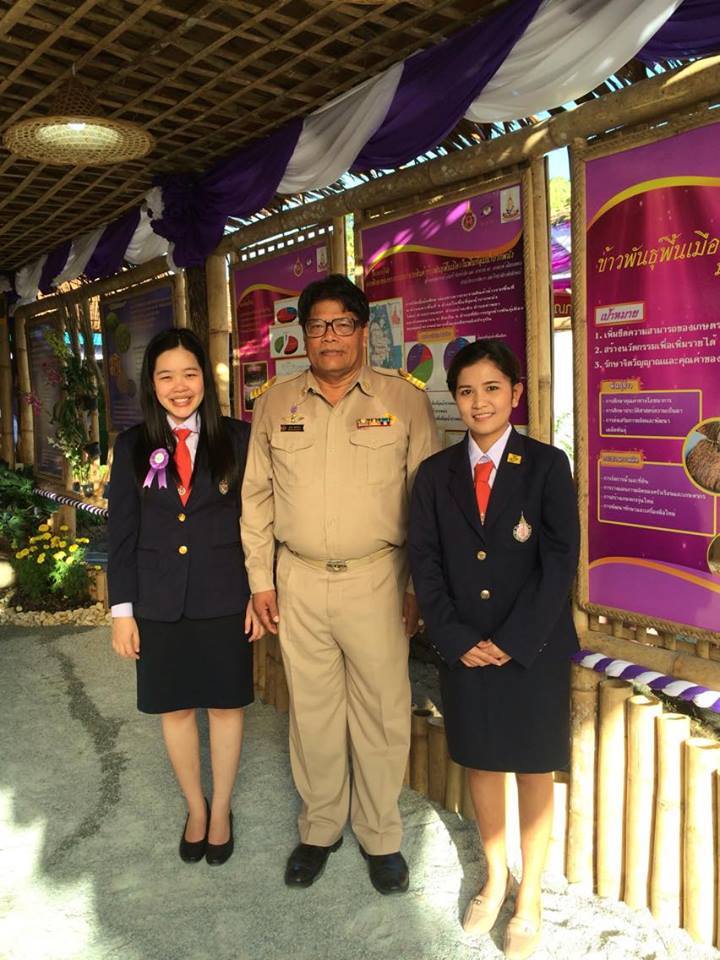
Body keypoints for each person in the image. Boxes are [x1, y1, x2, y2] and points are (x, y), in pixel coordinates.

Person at [241, 274, 439, 894]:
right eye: (318, 325)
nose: (330, 336)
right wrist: (260, 580)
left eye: (343, 323)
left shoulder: (403, 400)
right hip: (298, 580)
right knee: (314, 712)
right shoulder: (275, 403)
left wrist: (419, 587)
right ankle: (320, 827)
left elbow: (427, 504)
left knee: (381, 712)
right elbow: (256, 497)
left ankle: (380, 835)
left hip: (379, 578)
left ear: (362, 330)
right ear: (304, 334)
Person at [408, 339, 579, 960]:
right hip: (465, 649)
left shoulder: (547, 465)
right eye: (466, 391)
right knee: (481, 763)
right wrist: (456, 638)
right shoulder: (435, 475)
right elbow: (425, 563)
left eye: (492, 388)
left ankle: (530, 894)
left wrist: (511, 640)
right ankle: (495, 875)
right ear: (454, 398)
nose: (479, 402)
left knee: (533, 767)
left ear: (515, 394)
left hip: (531, 647)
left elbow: (559, 560)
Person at [108, 327, 262, 867]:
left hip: (225, 596)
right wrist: (122, 612)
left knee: (225, 706)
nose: (179, 387)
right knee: (174, 710)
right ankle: (195, 808)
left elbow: (257, 523)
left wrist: (258, 591)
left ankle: (221, 810)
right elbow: (121, 534)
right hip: (157, 602)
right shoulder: (131, 446)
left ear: (205, 379)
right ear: (151, 384)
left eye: (189, 374)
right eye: (166, 376)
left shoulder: (238, 439)